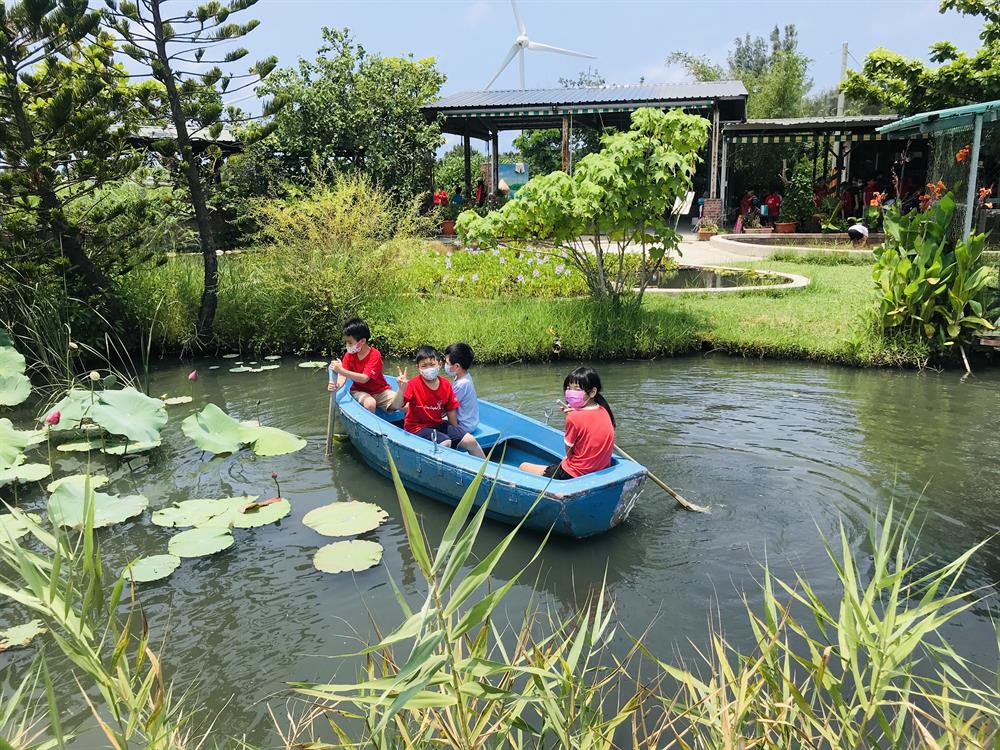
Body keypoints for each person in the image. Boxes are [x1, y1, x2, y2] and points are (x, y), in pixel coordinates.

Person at [519, 366, 615, 480]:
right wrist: (575, 413)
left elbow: (569, 453)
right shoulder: (604, 410)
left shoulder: (573, 417)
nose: (571, 392)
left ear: (592, 392)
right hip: (600, 468)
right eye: (569, 388)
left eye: (577, 389)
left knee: (523, 466)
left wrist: (573, 416)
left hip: (574, 473)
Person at [389, 346, 485, 458]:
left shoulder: (445, 384)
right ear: (418, 367)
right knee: (446, 442)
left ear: (439, 364)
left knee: (470, 441)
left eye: (432, 364)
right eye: (424, 366)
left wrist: (457, 431)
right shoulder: (413, 384)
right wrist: (401, 389)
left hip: (438, 424)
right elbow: (396, 406)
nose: (428, 368)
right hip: (417, 427)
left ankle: (486, 468)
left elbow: (451, 410)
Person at [327, 317, 395, 413]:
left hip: (380, 391)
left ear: (362, 341)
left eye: (350, 342)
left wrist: (341, 370)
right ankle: (371, 422)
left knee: (405, 403)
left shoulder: (375, 355)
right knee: (370, 403)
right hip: (359, 391)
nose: (347, 345)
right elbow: (342, 377)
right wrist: (335, 385)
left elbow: (364, 378)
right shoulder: (349, 355)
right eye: (347, 342)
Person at [443, 342, 479, 433]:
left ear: (457, 366)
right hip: (471, 423)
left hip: (464, 426)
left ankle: (456, 434)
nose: (445, 365)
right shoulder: (465, 376)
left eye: (447, 363)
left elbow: (448, 407)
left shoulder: (461, 384)